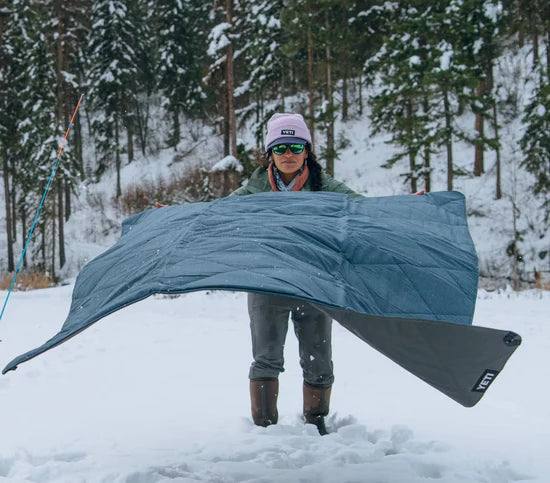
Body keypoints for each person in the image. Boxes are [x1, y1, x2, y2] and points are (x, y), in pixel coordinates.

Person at [233, 113, 362, 435]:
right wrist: (176, 216)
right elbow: (213, 215)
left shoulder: (326, 187)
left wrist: (408, 210)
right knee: (266, 358)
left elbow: (365, 212)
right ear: (270, 155)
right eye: (279, 148)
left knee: (319, 361)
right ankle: (264, 428)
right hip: (267, 284)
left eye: (294, 146)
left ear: (307, 151)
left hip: (314, 285)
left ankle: (316, 421)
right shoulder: (254, 189)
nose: (287, 154)